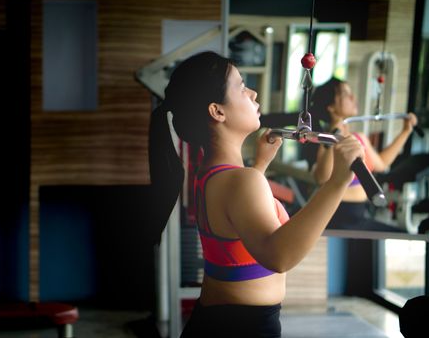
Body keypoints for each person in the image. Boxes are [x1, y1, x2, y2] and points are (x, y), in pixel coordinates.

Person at [148, 51, 364, 337]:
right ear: (217, 111)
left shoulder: (212, 173)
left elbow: (237, 223)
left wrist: (260, 166)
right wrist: (336, 183)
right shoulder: (240, 180)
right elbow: (278, 256)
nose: (252, 93)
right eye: (241, 86)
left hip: (222, 321)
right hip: (242, 327)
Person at [309, 77, 418, 231]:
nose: (353, 97)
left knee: (404, 234)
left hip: (360, 214)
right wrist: (333, 136)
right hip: (338, 215)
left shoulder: (358, 138)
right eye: (345, 94)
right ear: (331, 107)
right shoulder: (326, 140)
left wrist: (406, 132)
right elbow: (321, 178)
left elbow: (381, 164)